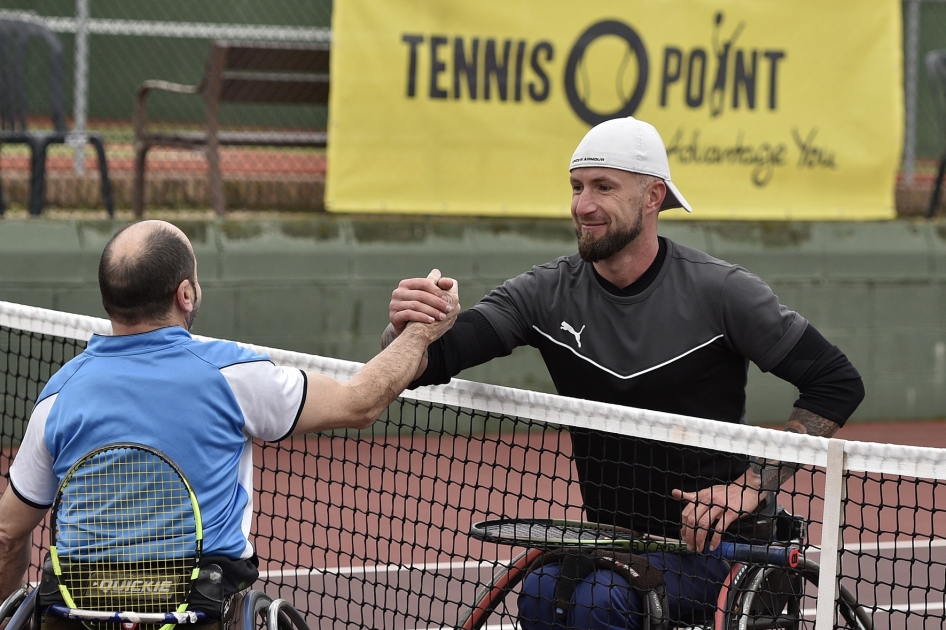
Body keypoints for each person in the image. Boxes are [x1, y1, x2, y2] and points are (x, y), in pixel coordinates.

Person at [382, 117, 864, 629]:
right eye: (576, 187)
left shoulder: (723, 293)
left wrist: (749, 486)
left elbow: (836, 381)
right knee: (542, 592)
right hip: (612, 542)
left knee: (597, 604)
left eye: (603, 187)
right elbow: (430, 363)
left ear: (653, 196)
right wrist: (410, 329)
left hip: (720, 551)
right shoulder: (543, 294)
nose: (582, 205)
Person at [0, 220, 459, 617]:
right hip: (198, 608)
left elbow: (6, 535)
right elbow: (361, 402)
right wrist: (423, 330)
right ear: (186, 293)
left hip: (78, 612)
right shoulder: (232, 375)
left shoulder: (57, 394)